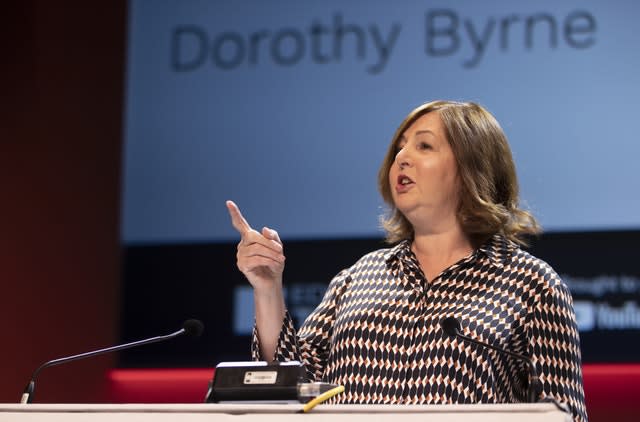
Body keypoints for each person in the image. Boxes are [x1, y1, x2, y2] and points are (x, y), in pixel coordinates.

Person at [226, 100, 587, 422]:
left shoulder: (532, 284)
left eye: (424, 146)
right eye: (399, 148)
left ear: (471, 168)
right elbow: (289, 383)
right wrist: (267, 286)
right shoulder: (359, 277)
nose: (402, 157)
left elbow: (564, 414)